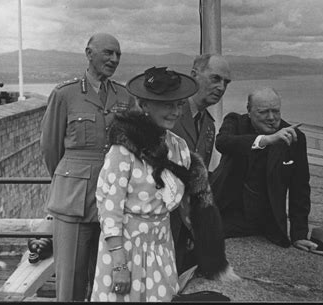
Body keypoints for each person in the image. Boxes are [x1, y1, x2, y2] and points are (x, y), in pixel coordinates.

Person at [91, 67, 237, 302]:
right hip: (125, 247)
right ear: (145, 105)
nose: (176, 112)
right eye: (168, 104)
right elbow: (109, 207)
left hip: (161, 244)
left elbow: (187, 201)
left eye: (179, 104)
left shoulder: (178, 148)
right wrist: (118, 265)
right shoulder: (123, 149)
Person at [40, 33, 135, 301]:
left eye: (118, 54)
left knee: (106, 283)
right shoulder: (65, 94)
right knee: (70, 282)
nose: (114, 59)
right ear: (89, 53)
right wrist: (69, 180)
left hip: (114, 202)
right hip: (73, 201)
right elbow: (50, 148)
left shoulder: (123, 95)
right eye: (107, 53)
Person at [210, 87, 317, 251]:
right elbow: (223, 143)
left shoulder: (295, 137)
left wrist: (299, 235)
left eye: (276, 111)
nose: (272, 118)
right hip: (225, 212)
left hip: (265, 222)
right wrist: (266, 140)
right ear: (249, 111)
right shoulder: (235, 122)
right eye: (263, 112)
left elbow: (300, 189)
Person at [170, 54, 232, 274]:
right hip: (157, 219)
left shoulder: (208, 126)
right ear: (194, 75)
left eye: (226, 82)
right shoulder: (169, 113)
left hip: (184, 225)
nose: (221, 87)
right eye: (215, 78)